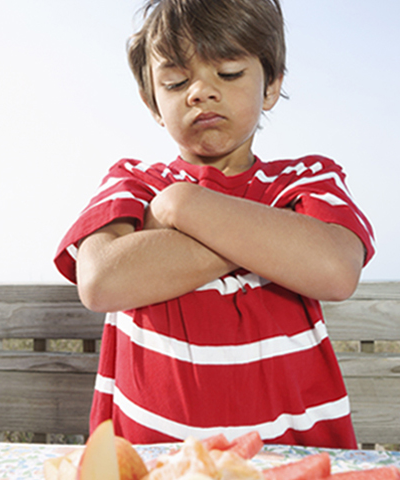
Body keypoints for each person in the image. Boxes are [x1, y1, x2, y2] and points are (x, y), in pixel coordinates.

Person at [54, 0, 375, 449]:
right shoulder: (134, 183)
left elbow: (335, 269)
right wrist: (274, 237)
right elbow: (103, 280)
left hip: (295, 457)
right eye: (176, 81)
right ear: (153, 103)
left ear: (271, 86)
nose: (200, 92)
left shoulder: (307, 178)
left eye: (227, 73)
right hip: (153, 460)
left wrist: (182, 206)